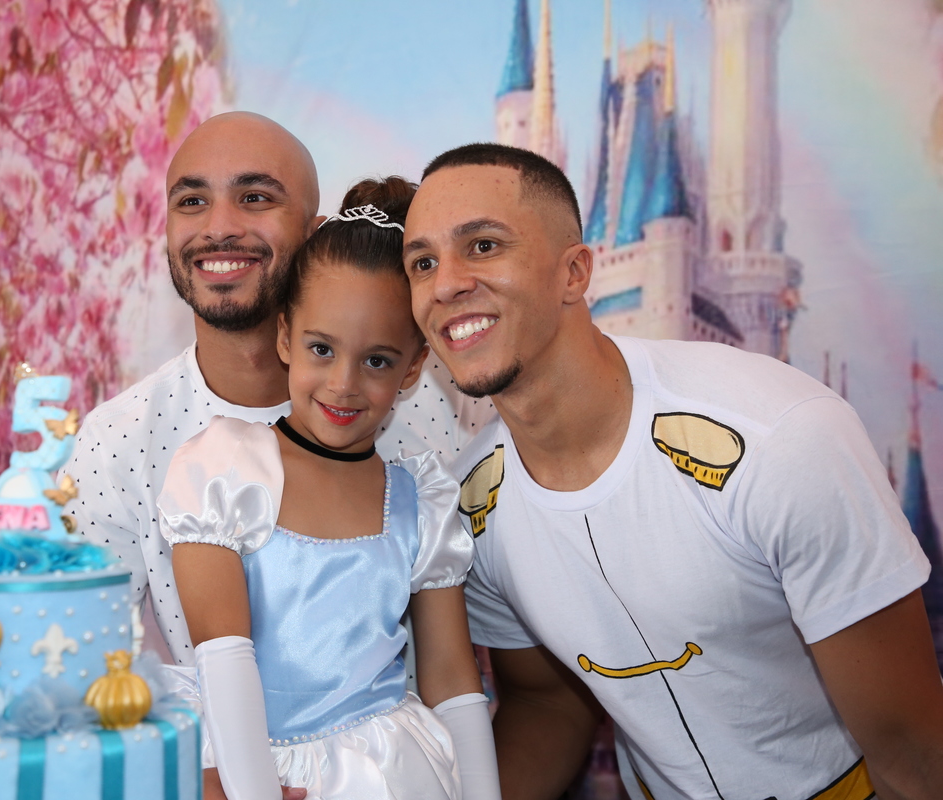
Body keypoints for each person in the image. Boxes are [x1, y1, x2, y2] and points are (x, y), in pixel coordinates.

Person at [400, 142, 943, 800]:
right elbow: (548, 705)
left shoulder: (778, 439)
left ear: (575, 272)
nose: (446, 283)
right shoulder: (470, 508)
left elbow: (914, 756)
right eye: (422, 262)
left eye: (483, 246)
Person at [60, 113, 495, 798]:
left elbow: (462, 670)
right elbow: (74, 670)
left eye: (255, 196)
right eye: (192, 200)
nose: (219, 227)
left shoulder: (430, 424)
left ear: (314, 231)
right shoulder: (118, 439)